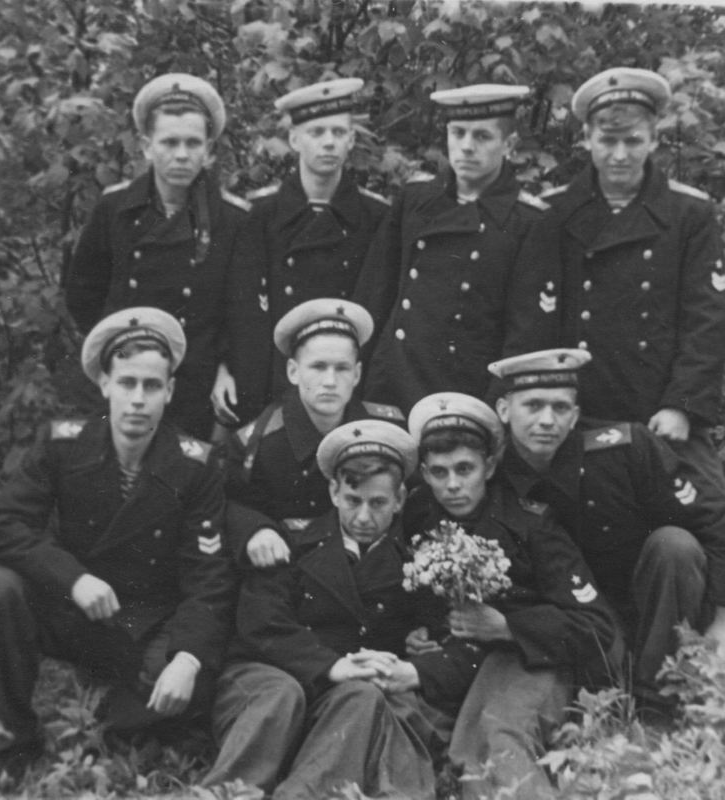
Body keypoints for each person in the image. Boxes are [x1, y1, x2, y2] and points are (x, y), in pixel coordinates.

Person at [0, 308, 236, 781]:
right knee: (2, 588)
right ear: (104, 385)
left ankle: (111, 726)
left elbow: (209, 580)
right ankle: (8, 749)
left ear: (169, 392)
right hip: (77, 608)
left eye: (151, 386)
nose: (137, 400)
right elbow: (2, 525)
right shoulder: (63, 444)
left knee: (182, 683)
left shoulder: (196, 466)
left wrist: (187, 658)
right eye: (127, 383)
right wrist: (73, 579)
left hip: (144, 623)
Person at [515, 67, 725, 576]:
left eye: (633, 141)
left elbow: (706, 321)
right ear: (586, 139)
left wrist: (682, 406)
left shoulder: (688, 214)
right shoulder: (553, 212)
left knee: (712, 517)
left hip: (658, 409)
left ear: (654, 139)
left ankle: (719, 614)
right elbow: (535, 320)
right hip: (576, 407)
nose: (620, 155)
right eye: (608, 141)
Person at [203, 420, 479, 800]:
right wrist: (332, 666)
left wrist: (417, 653)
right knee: (283, 694)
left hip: (345, 695)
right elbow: (262, 624)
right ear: (334, 492)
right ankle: (224, 793)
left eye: (378, 503)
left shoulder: (421, 562)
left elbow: (450, 637)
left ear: (400, 499)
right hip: (272, 675)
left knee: (363, 696)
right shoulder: (292, 542)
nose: (363, 517)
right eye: (353, 500)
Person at [488, 349, 725, 707]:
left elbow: (715, 519)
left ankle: (656, 693)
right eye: (532, 406)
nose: (547, 420)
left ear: (575, 415)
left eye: (560, 408)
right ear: (504, 410)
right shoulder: (492, 477)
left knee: (676, 545)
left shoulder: (624, 449)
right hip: (576, 618)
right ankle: (605, 690)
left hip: (646, 601)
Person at [405, 392, 614, 799]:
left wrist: (508, 627)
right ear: (425, 474)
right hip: (462, 662)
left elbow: (597, 627)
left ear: (488, 466)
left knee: (500, 732)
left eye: (464, 469)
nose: (452, 485)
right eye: (439, 472)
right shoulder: (420, 515)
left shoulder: (532, 525)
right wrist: (418, 629)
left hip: (534, 658)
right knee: (451, 745)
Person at [64, 74, 249, 438]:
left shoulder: (234, 220)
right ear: (147, 147)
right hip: (124, 379)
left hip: (195, 384)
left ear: (209, 150)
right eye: (169, 142)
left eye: (193, 143)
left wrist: (227, 367)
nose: (181, 154)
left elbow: (241, 313)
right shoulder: (114, 209)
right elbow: (83, 295)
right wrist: (115, 354)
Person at [353, 83, 546, 414]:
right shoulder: (415, 200)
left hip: (466, 391)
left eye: (482, 136)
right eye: (458, 133)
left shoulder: (527, 221)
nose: (467, 147)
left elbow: (524, 333)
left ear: (509, 144)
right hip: (392, 382)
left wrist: (493, 408)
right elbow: (375, 295)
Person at [215, 78, 390, 426]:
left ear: (351, 140)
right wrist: (223, 366)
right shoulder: (260, 215)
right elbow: (236, 304)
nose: (329, 142)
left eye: (338, 132)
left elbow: (379, 308)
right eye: (316, 132)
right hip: (272, 382)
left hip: (344, 385)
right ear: (295, 140)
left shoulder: (376, 217)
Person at [224, 298, 404, 568]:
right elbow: (231, 502)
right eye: (318, 367)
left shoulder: (388, 430)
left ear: (357, 374)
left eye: (342, 368)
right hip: (291, 571)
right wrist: (256, 529)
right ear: (293, 372)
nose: (330, 381)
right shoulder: (259, 443)